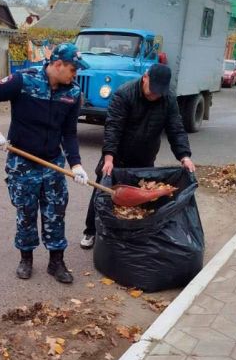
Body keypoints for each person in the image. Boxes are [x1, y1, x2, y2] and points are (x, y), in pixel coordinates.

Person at [0, 43, 90, 283]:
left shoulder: (73, 93)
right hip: (23, 162)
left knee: (55, 213)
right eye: (73, 69)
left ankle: (56, 262)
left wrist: (76, 165)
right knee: (26, 212)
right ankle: (25, 258)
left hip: (52, 163)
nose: (75, 74)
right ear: (57, 65)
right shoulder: (23, 81)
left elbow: (69, 133)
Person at [80, 63, 196, 248]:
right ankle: (90, 231)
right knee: (102, 192)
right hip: (118, 155)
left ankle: (131, 233)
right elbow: (113, 127)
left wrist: (184, 156)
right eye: (152, 90)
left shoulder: (168, 99)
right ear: (145, 77)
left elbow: (176, 129)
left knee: (141, 197)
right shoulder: (124, 94)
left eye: (159, 91)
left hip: (145, 156)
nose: (155, 95)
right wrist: (109, 157)